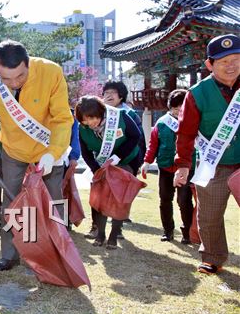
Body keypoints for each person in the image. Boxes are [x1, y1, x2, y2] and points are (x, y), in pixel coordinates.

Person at [0, 40, 73, 271]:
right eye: (6, 79)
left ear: (29, 64)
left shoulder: (51, 71)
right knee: (11, 202)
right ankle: (10, 254)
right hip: (13, 149)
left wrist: (53, 153)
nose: (14, 83)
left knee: (53, 201)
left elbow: (61, 119)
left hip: (47, 151)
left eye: (20, 76)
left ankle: (57, 255)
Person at [174, 34, 240, 275]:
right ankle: (212, 257)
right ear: (210, 64)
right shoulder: (197, 93)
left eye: (236, 59)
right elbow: (186, 133)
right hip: (214, 164)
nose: (232, 65)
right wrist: (182, 164)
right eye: (224, 61)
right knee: (209, 215)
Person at [76, 95, 142, 250]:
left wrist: (117, 157)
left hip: (125, 160)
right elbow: (85, 152)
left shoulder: (119, 116)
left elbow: (136, 136)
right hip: (101, 165)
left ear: (101, 112)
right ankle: (100, 233)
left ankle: (114, 233)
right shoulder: (83, 128)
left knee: (118, 197)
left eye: (92, 118)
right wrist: (96, 169)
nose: (89, 123)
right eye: (85, 120)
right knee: (100, 198)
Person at [141, 89, 194, 243]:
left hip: (185, 168)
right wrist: (146, 162)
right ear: (170, 107)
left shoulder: (192, 122)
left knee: (184, 201)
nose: (178, 112)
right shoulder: (162, 122)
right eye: (175, 108)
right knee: (165, 200)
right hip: (165, 168)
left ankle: (187, 232)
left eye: (182, 108)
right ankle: (168, 231)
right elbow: (153, 145)